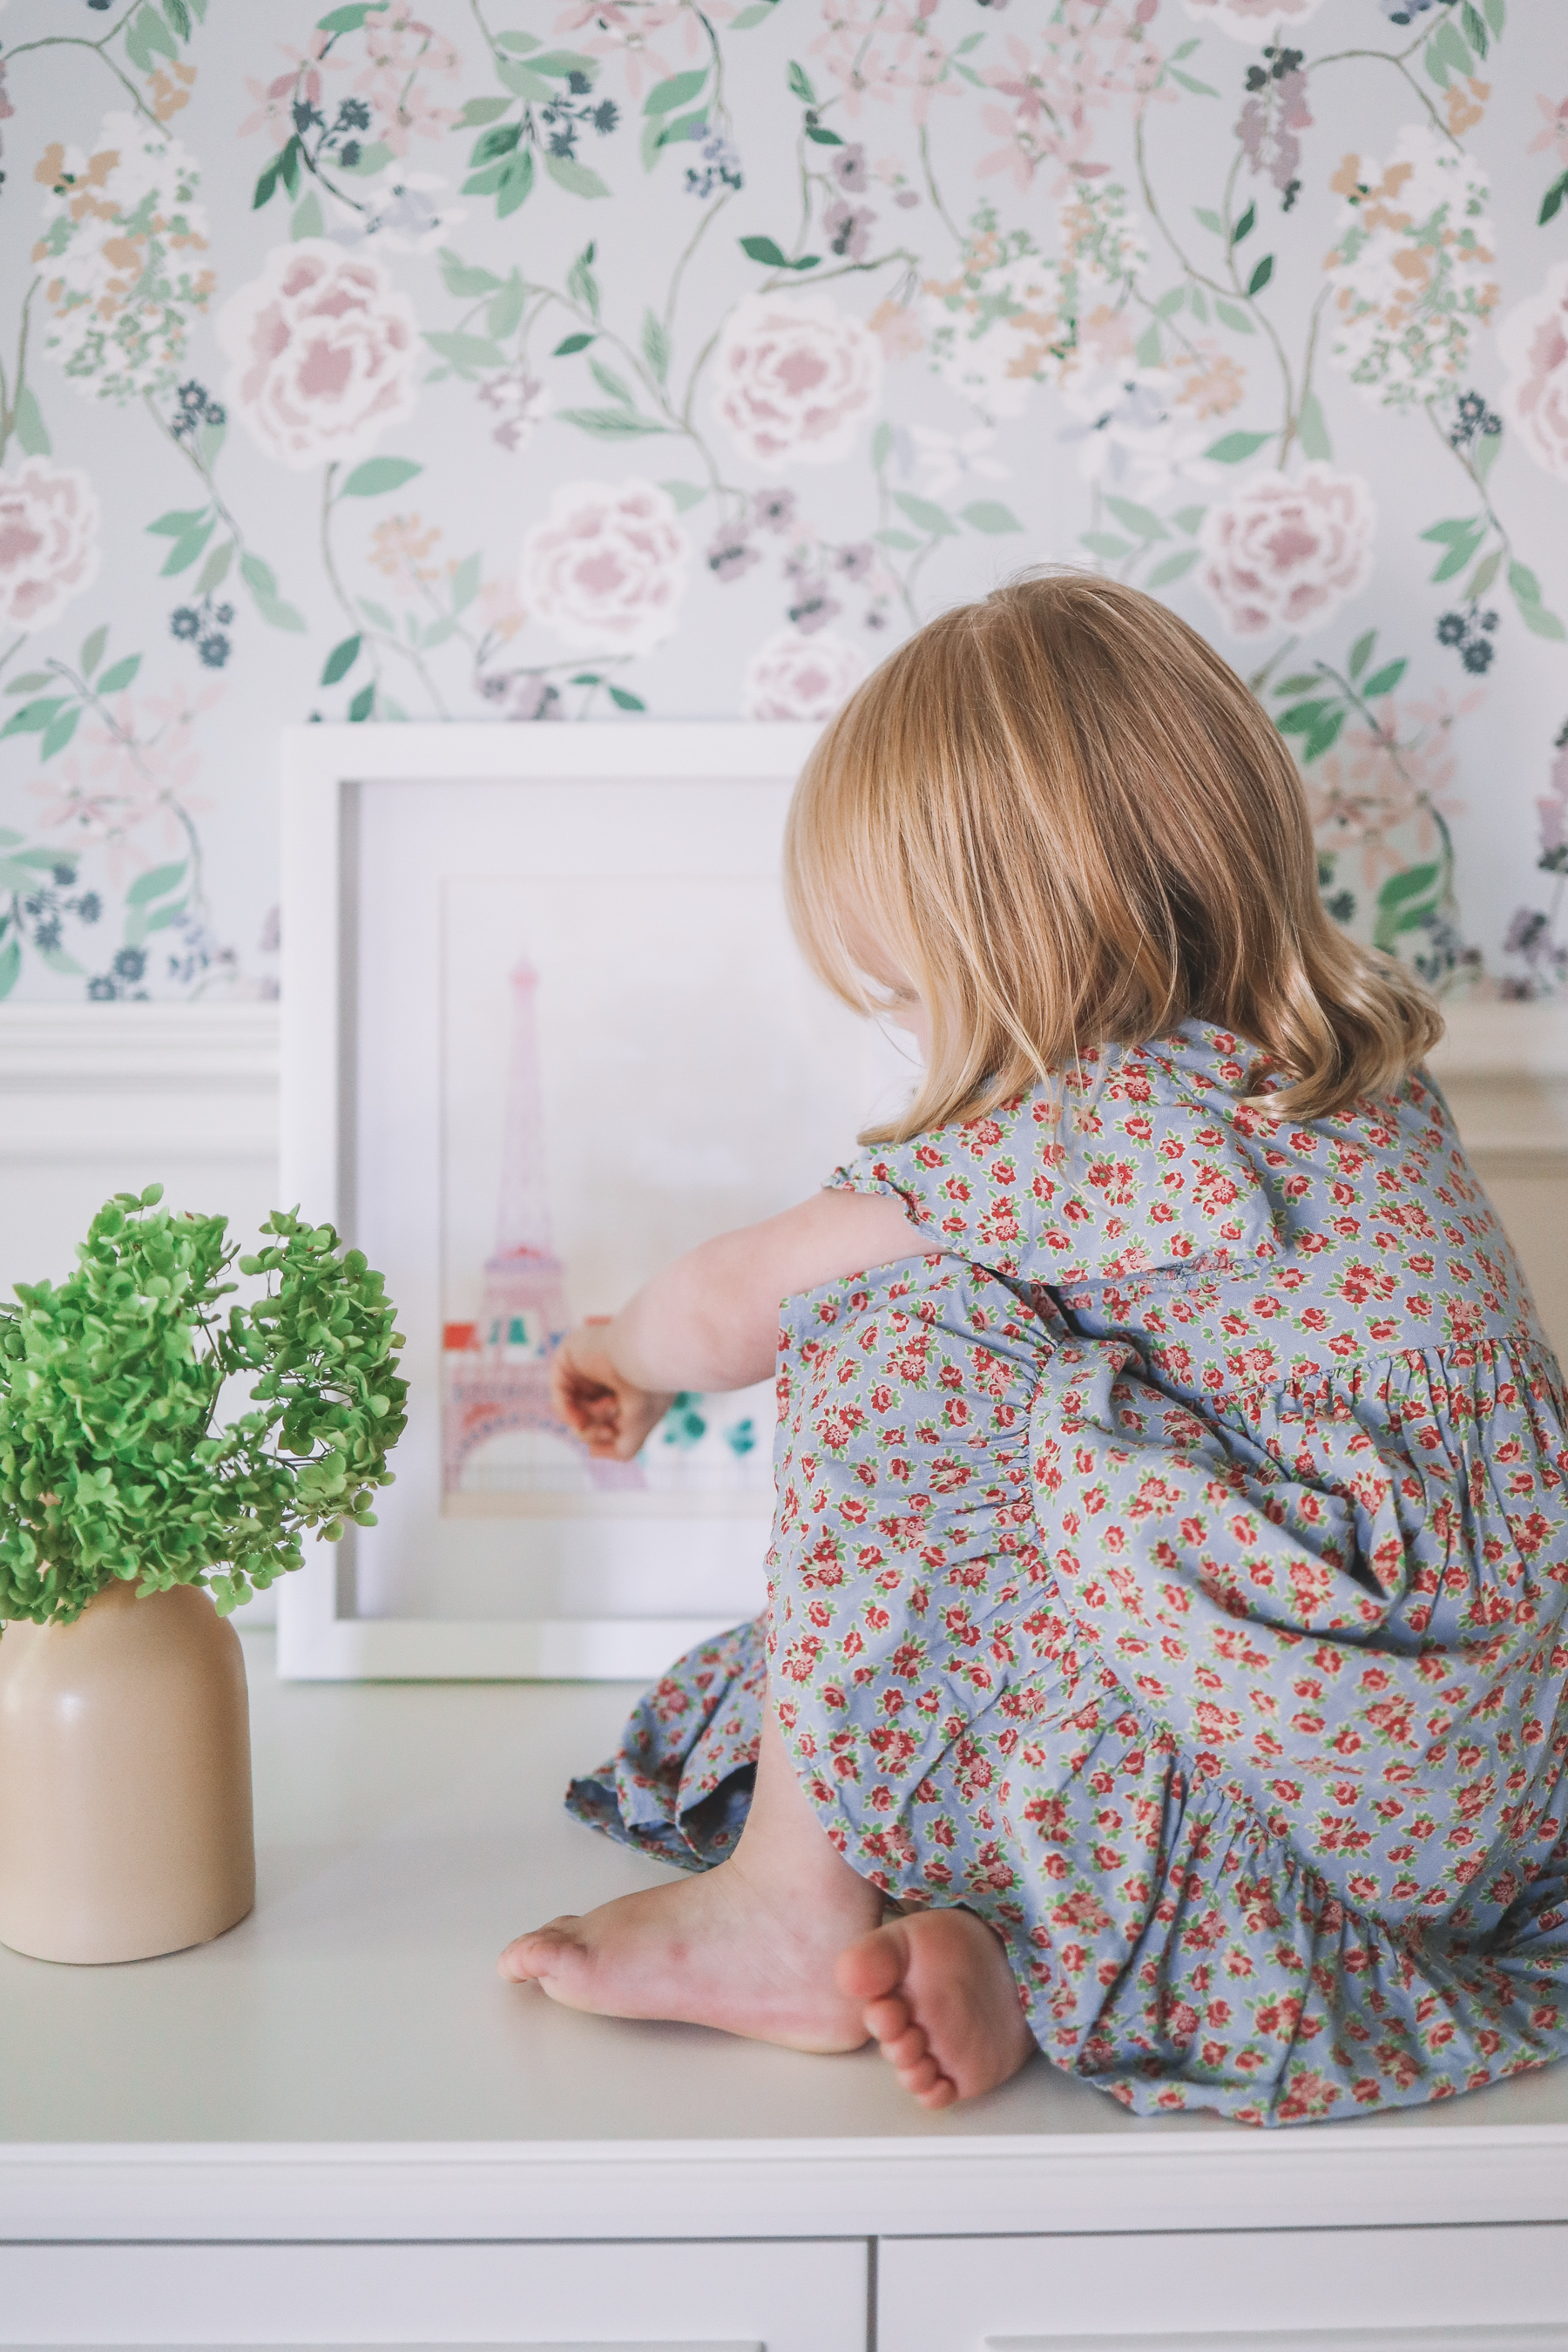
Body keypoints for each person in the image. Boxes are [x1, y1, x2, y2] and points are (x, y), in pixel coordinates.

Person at [499, 571, 1568, 2125]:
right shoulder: (1367, 1078)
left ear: (1002, 955)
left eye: (910, 986)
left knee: (886, 1327)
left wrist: (616, 1348)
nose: (914, 1027)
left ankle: (791, 1909)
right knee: (1036, 1486)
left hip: (1320, 1779)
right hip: (1489, 1780)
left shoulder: (1079, 1130)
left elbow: (739, 1304)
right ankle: (1025, 1963)